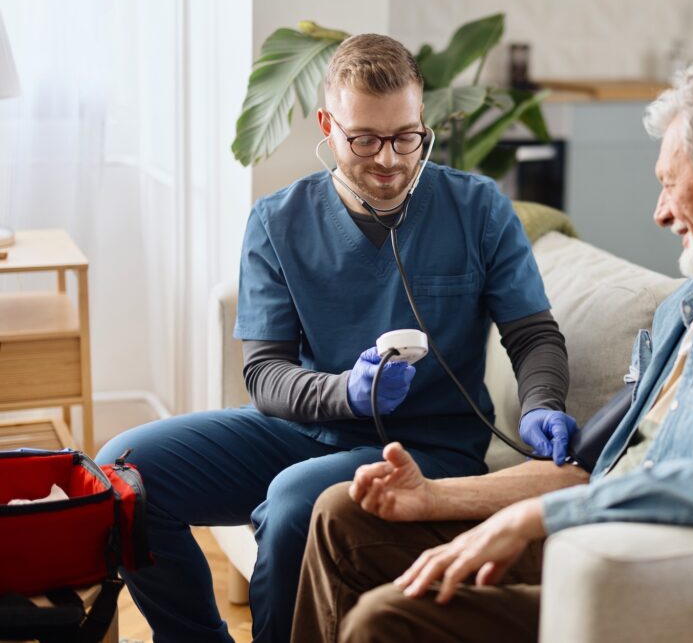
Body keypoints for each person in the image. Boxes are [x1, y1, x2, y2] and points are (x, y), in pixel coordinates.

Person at [290, 62, 693, 643]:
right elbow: (583, 470)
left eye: (667, 183)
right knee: (343, 515)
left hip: (654, 579)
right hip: (586, 537)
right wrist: (432, 498)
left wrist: (535, 520)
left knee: (387, 621)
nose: (659, 213)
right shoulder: (690, 306)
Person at [95, 34, 573, 643]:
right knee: (124, 472)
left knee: (296, 502)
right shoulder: (278, 220)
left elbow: (533, 336)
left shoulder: (478, 210)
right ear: (327, 125)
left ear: (422, 121)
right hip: (302, 429)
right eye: (365, 139)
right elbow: (265, 374)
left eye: (406, 137)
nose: (390, 160)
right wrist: (347, 391)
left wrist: (541, 404)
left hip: (424, 451)